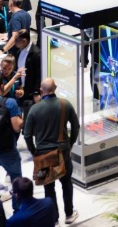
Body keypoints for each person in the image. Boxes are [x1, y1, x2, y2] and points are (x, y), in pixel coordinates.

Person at [23, 78, 79, 223]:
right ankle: (69, 214)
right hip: (63, 151)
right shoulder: (65, 104)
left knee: (48, 187)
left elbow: (27, 135)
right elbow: (76, 126)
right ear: (56, 88)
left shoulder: (34, 109)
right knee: (66, 183)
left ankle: (54, 219)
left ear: (41, 90)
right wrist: (71, 143)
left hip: (43, 155)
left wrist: (34, 152)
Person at [0, 86, 23, 210]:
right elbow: (17, 127)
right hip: (7, 149)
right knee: (16, 179)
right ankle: (17, 210)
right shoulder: (10, 103)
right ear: (2, 86)